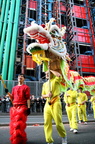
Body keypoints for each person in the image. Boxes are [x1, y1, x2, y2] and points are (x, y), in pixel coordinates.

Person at [42, 69, 67, 144]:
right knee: (47, 122)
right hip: (47, 103)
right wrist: (47, 95)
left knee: (58, 122)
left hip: (56, 102)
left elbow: (59, 75)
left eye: (48, 73)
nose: (46, 74)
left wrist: (51, 69)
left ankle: (64, 136)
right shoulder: (45, 84)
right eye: (46, 73)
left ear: (51, 73)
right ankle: (49, 140)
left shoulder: (56, 80)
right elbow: (43, 95)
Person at [5, 73, 30, 144]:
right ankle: (18, 139)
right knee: (14, 124)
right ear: (17, 78)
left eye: (22, 76)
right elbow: (12, 98)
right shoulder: (14, 88)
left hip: (22, 106)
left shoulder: (26, 87)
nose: (20, 77)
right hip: (15, 107)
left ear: (24, 79)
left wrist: (28, 108)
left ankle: (18, 140)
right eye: (19, 76)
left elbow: (28, 98)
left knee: (19, 124)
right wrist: (8, 93)